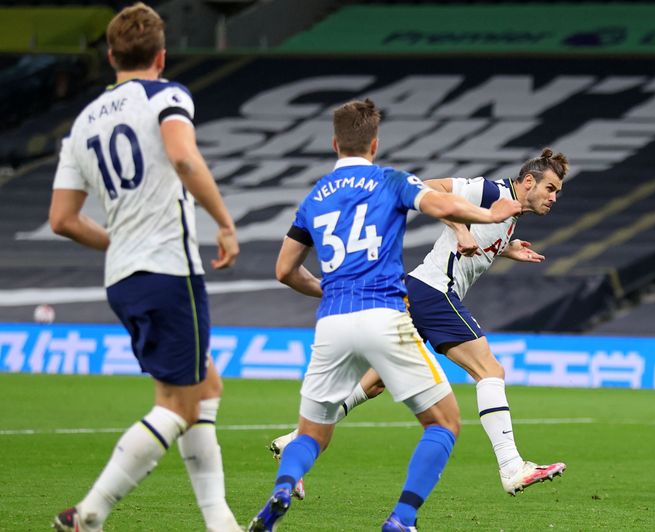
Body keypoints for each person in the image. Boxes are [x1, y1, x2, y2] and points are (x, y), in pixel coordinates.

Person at [248, 98, 521, 531]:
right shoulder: (392, 181)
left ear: (334, 143)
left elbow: (284, 270)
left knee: (312, 431)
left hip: (333, 320)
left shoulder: (315, 196)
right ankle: (402, 519)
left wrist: (327, 288)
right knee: (444, 422)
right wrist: (490, 214)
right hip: (385, 314)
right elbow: (443, 205)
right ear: (374, 144)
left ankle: (284, 485)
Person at [269, 149, 569, 497]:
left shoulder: (508, 211)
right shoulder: (490, 191)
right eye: (550, 188)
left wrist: (505, 247)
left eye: (557, 192)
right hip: (434, 292)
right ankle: (511, 466)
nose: (553, 197)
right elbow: (430, 188)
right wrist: (459, 229)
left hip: (418, 293)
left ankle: (296, 441)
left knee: (374, 383)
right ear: (528, 181)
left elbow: (479, 235)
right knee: (490, 371)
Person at [48, 4, 241, 531]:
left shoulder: (83, 123)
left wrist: (117, 239)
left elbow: (62, 219)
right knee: (178, 405)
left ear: (111, 56)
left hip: (123, 277)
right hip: (168, 269)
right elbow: (183, 157)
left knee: (205, 385)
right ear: (161, 55)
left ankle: (219, 521)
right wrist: (224, 222)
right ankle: (91, 511)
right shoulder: (167, 95)